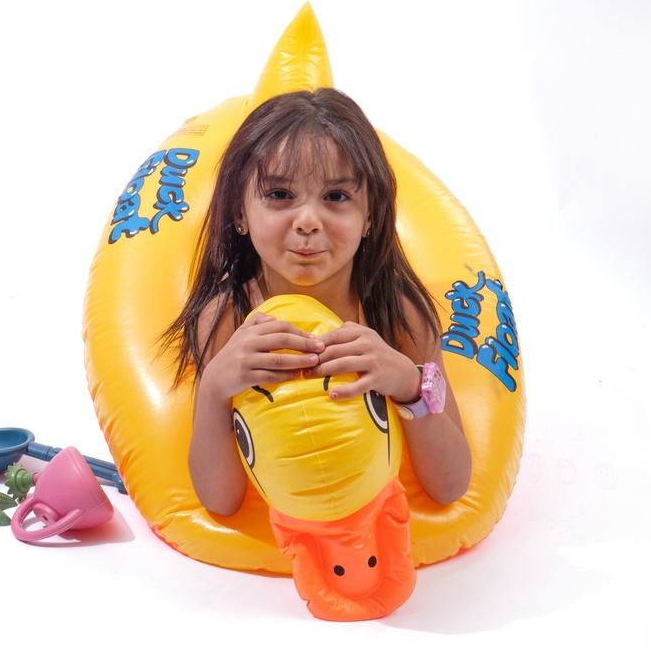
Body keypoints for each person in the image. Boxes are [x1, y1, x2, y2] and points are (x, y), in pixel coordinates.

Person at [162, 88, 472, 517]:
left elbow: (450, 486)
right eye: (279, 194)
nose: (307, 221)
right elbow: (221, 502)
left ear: (371, 217)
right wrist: (215, 388)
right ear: (239, 213)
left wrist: (407, 383)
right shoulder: (228, 319)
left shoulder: (397, 315)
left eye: (336, 197)